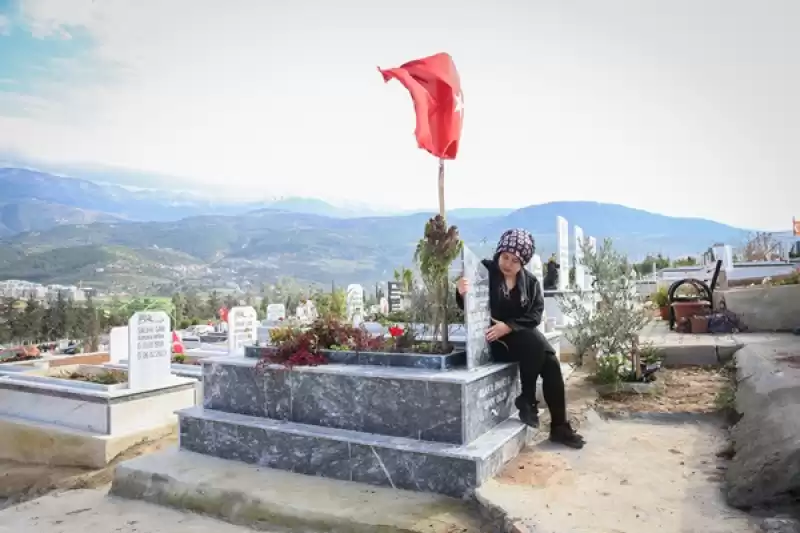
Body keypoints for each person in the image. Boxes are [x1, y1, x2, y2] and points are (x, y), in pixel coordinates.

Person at [456, 229, 585, 449]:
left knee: (551, 363)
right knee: (538, 347)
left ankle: (557, 425)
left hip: (518, 337)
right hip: (492, 340)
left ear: (522, 263)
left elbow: (535, 315)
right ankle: (528, 400)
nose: (507, 264)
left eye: (515, 261)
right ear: (498, 253)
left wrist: (509, 326)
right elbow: (468, 305)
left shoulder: (530, 282)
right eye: (505, 257)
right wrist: (461, 292)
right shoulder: (484, 271)